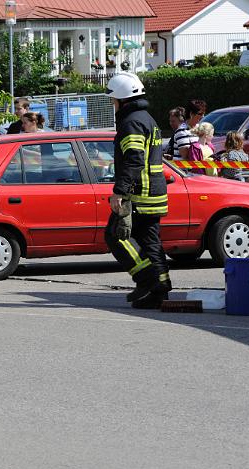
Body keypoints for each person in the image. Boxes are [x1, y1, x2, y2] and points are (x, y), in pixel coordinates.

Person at [103, 72, 171, 309]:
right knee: (150, 242)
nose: (113, 104)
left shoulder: (131, 122)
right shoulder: (146, 118)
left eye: (113, 100)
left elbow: (133, 159)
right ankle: (160, 288)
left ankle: (146, 280)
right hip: (154, 191)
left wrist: (119, 192)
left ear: (121, 99)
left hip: (139, 193)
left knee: (116, 235)